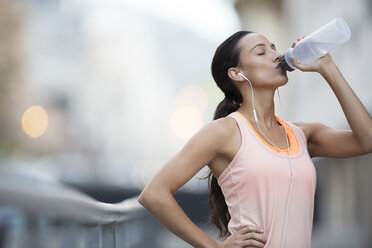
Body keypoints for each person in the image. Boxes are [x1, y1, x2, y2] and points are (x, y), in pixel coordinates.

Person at [138, 31, 372, 248]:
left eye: (274, 48)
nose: (276, 55)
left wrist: (327, 67)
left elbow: (366, 140)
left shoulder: (302, 134)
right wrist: (214, 246)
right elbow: (154, 194)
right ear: (237, 73)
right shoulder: (225, 131)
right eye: (262, 52)